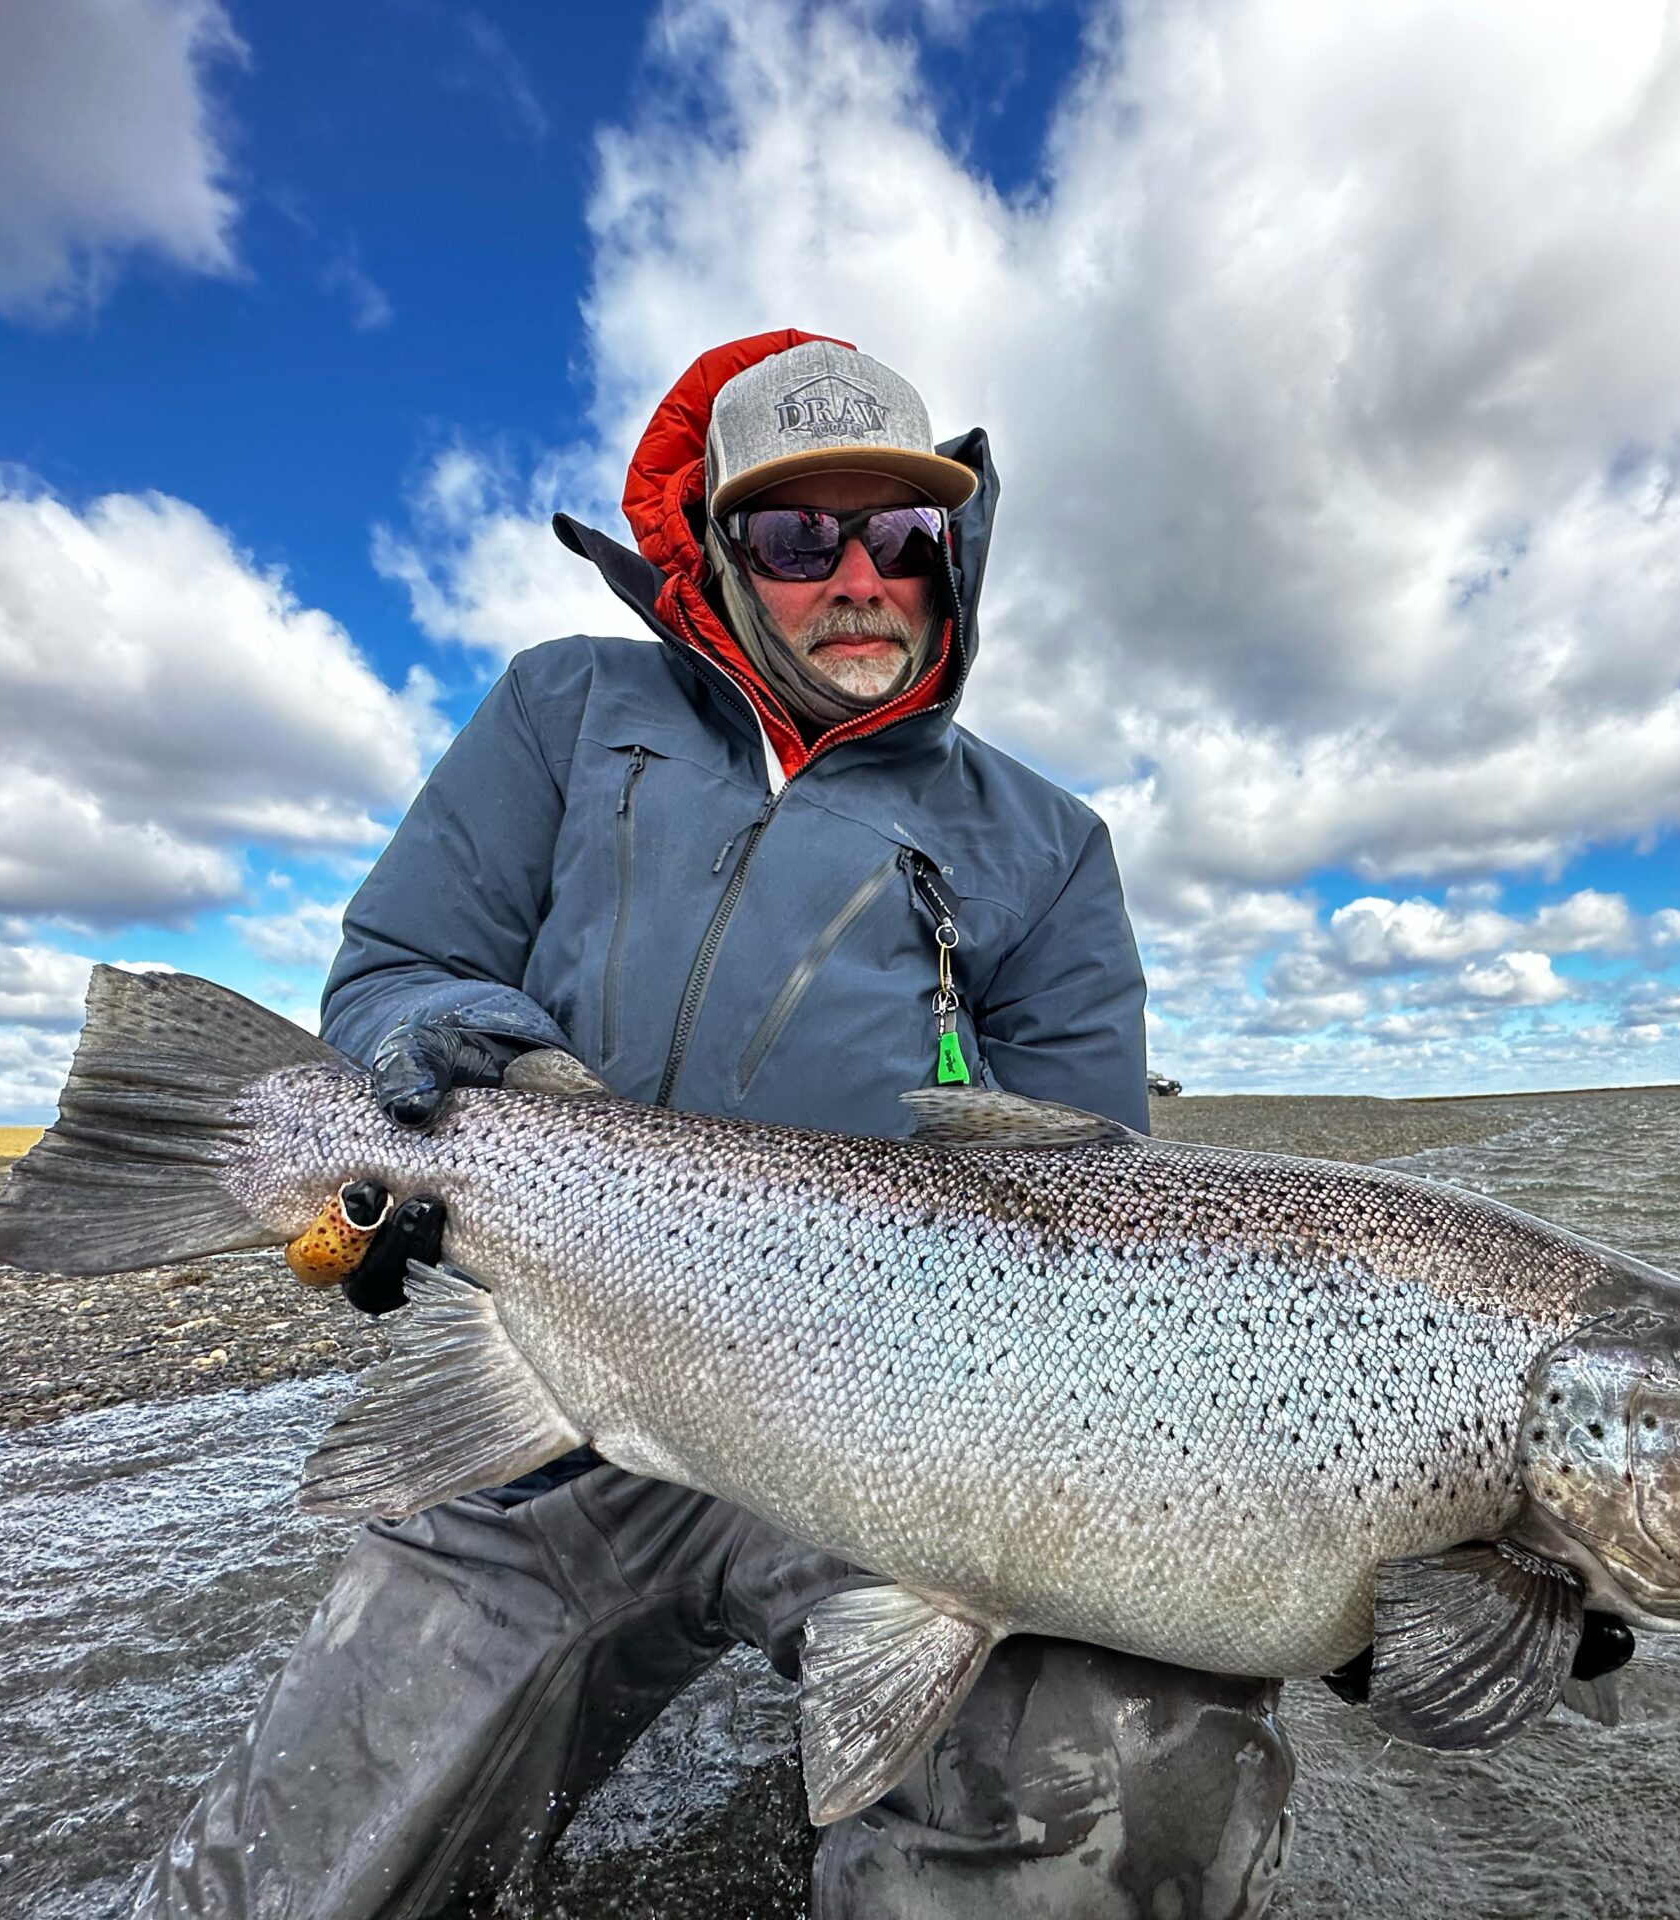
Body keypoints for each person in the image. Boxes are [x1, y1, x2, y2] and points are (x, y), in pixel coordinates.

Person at [140, 332, 1297, 1919]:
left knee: (1145, 1769)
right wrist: (420, 1046)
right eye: (798, 536)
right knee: (298, 1870)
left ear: (950, 554)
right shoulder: (566, 707)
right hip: (542, 1397)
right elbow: (403, 963)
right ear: (722, 551)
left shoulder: (1050, 849)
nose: (856, 581)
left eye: (897, 535)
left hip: (903, 1457)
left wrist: (1313, 1562)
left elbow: (1099, 1219)